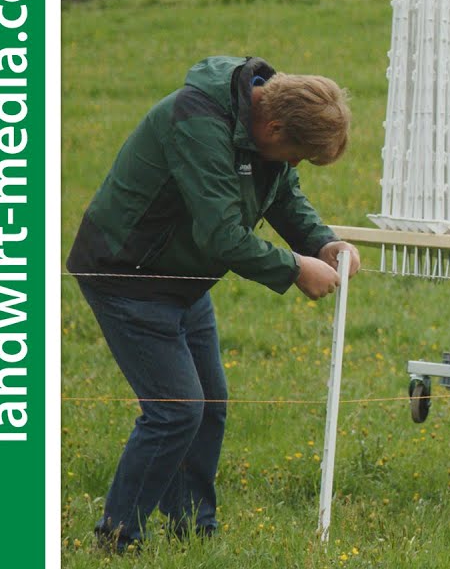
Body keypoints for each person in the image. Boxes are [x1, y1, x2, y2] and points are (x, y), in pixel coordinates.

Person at [66, 55, 361, 550]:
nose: (293, 166)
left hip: (183, 279)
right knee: (177, 410)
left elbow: (283, 194)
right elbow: (222, 234)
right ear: (274, 127)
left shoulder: (263, 127)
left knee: (209, 406)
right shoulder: (199, 124)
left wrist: (322, 242)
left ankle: (193, 534)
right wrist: (295, 268)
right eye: (297, 155)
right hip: (128, 275)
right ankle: (116, 540)